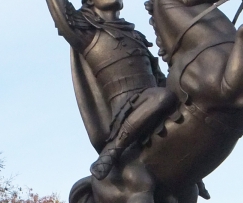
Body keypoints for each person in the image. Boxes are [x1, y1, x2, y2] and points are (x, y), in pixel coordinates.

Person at [46, 0, 179, 180]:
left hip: (156, 102)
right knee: (162, 97)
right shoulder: (86, 31)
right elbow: (60, 12)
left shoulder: (134, 35)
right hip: (126, 110)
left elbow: (159, 77)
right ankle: (112, 150)